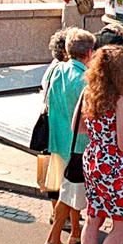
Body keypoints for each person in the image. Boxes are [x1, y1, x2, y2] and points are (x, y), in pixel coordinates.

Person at [80, 44, 123, 244]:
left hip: (92, 157)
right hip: (111, 162)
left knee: (93, 218)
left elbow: (78, 127)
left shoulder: (90, 92)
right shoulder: (120, 99)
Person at [43, 29, 96, 244]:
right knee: (69, 194)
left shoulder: (58, 69)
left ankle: (75, 233)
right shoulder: (85, 80)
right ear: (90, 53)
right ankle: (54, 240)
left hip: (57, 139)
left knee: (70, 191)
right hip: (77, 145)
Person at [40, 28, 70, 215]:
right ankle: (61, 217)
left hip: (51, 128)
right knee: (60, 176)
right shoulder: (63, 71)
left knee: (53, 175)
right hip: (60, 130)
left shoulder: (53, 68)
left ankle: (56, 213)